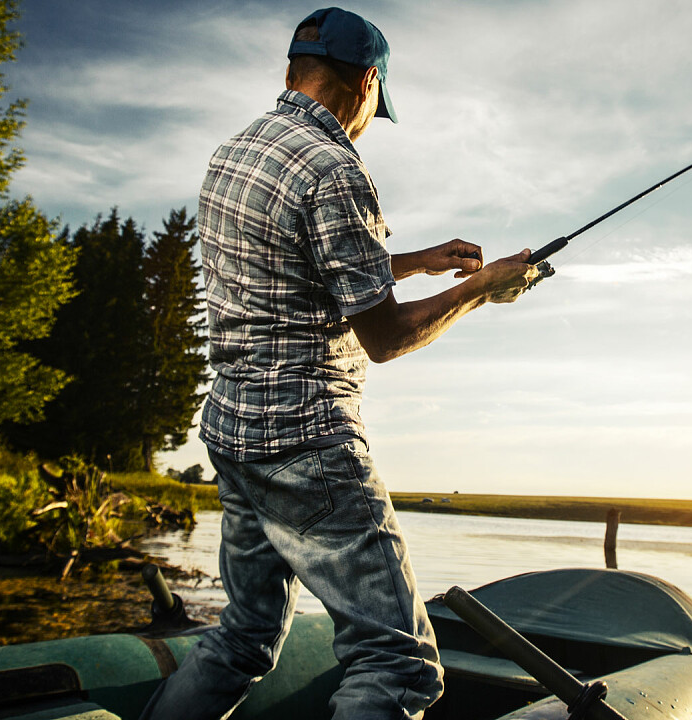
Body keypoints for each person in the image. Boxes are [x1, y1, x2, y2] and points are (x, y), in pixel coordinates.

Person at [139, 8, 541, 720]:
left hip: (233, 431)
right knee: (397, 662)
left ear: (294, 71)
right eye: (375, 105)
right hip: (308, 442)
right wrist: (483, 287)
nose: (368, 122)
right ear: (367, 83)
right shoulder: (334, 168)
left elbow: (294, 264)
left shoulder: (236, 151)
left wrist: (414, 261)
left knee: (243, 636)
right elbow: (385, 338)